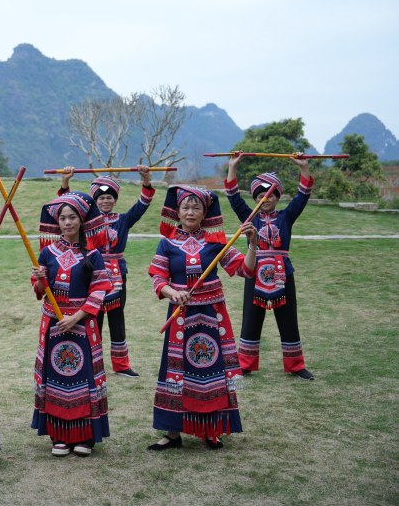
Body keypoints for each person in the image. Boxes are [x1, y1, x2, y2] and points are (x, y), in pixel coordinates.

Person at [147, 185, 257, 451]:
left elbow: (245, 270)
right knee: (176, 373)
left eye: (196, 207)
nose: (190, 212)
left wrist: (253, 243)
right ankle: (172, 433)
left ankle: (210, 430)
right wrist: (174, 292)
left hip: (211, 316)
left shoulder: (217, 242)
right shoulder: (168, 242)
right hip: (181, 315)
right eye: (185, 207)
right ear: (177, 211)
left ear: (205, 212)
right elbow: (158, 278)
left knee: (210, 369)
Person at [31, 192, 111, 457]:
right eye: (63, 218)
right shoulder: (47, 253)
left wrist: (76, 317)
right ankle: (59, 436)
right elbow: (41, 291)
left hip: (82, 325)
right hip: (53, 325)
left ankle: (85, 437)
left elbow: (99, 290)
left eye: (72, 217)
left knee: (83, 375)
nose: (67, 222)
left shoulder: (94, 254)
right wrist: (40, 278)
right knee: (55, 377)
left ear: (82, 219)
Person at [58, 165, 156, 377]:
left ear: (115, 199)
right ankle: (93, 364)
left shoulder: (123, 220)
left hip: (117, 275)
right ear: (95, 201)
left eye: (110, 197)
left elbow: (143, 203)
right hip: (91, 272)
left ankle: (121, 365)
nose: (105, 201)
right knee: (93, 319)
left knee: (117, 319)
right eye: (101, 198)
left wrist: (146, 179)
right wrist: (65, 182)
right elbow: (67, 207)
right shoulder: (85, 220)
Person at [225, 154, 316, 380]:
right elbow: (233, 196)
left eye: (270, 195)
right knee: (251, 319)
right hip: (254, 271)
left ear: (277, 196)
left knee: (288, 319)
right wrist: (233, 166)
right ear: (255, 198)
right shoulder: (249, 217)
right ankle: (245, 364)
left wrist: (304, 168)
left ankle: (296, 365)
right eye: (259, 196)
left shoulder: (286, 217)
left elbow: (302, 196)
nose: (264, 199)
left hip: (282, 274)